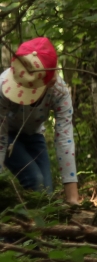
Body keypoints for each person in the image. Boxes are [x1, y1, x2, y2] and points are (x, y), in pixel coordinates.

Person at [0, 37, 80, 204]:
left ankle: (39, 223)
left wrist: (72, 198)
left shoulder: (59, 92)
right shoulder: (3, 86)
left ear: (50, 82)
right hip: (6, 135)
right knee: (35, 180)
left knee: (45, 195)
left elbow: (64, 140)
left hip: (34, 135)